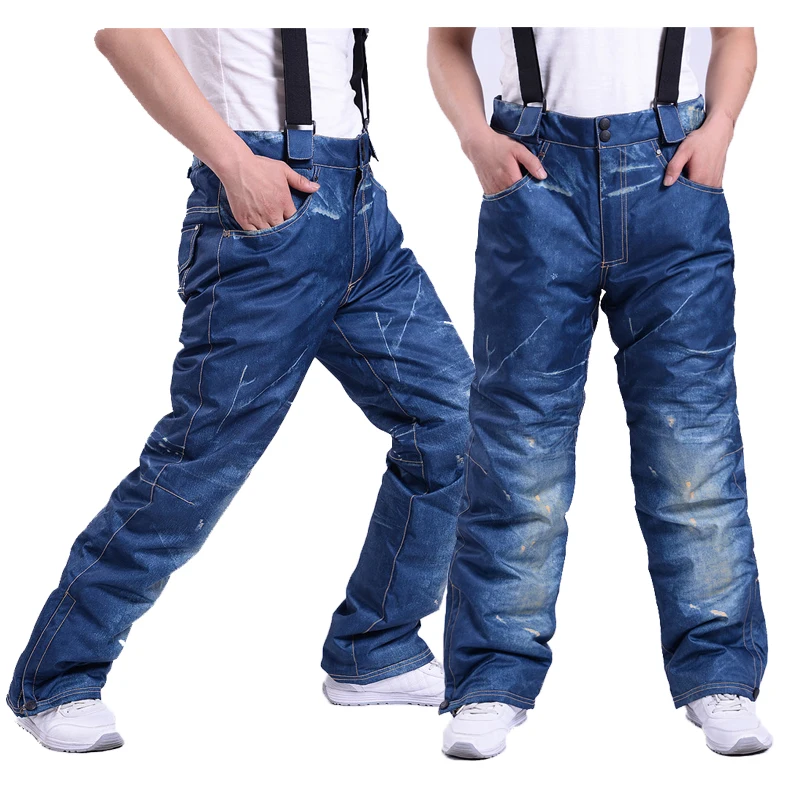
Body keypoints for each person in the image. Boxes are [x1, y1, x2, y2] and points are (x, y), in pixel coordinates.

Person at [8, 28, 474, 753]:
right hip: (262, 215)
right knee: (197, 466)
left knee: (457, 425)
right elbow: (121, 27)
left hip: (360, 204)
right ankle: (57, 676)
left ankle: (375, 649)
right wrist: (232, 162)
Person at [428, 27, 771, 758]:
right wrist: (475, 139)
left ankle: (720, 674)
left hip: (673, 178)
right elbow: (448, 39)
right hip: (533, 178)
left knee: (693, 445)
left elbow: (735, 32)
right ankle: (491, 680)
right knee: (519, 448)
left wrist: (720, 128)